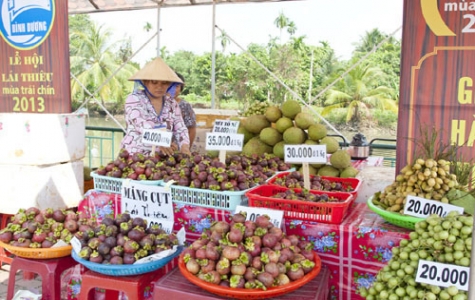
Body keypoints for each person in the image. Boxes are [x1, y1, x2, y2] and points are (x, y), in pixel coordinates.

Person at [120, 57, 191, 156]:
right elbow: (141, 125)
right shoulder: (134, 99)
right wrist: (162, 140)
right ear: (145, 82)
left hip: (162, 156)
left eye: (164, 83)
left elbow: (180, 127)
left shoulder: (172, 103)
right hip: (135, 156)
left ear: (170, 84)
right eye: (154, 82)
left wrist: (184, 146)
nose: (159, 87)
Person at [173, 73, 197, 147]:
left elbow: (191, 129)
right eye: (170, 86)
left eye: (176, 86)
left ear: (181, 88)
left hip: (178, 151)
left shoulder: (185, 105)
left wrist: (186, 148)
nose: (173, 89)